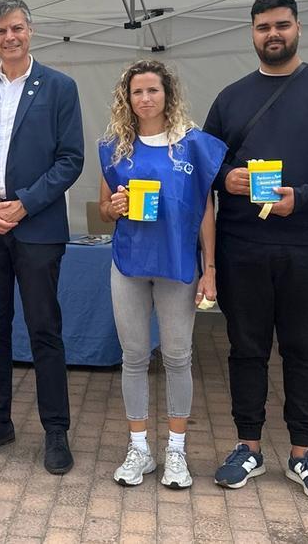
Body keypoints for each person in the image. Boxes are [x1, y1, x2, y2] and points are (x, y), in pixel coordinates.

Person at [202, 0, 308, 501]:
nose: (272, 34)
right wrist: (227, 176)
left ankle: (302, 453)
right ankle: (248, 447)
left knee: (304, 350)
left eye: (281, 25)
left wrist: (304, 198)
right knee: (246, 350)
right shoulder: (231, 98)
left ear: (298, 28)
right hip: (243, 246)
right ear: (251, 34)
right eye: (262, 27)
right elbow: (204, 162)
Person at [0, 0, 84, 474]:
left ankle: (56, 431)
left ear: (31, 30)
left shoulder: (60, 87)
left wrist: (26, 202)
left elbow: (71, 159)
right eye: (1, 31)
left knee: (45, 330)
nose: (10, 37)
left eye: (18, 28)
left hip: (37, 226)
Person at [97, 59, 225, 488]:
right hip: (129, 264)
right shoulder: (116, 145)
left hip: (177, 265)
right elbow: (104, 208)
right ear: (126, 98)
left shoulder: (191, 144)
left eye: (153, 90)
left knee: (177, 357)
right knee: (133, 357)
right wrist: (112, 207)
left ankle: (176, 452)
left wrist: (210, 267)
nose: (145, 98)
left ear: (167, 94)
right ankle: (139, 450)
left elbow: (206, 209)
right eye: (137, 92)